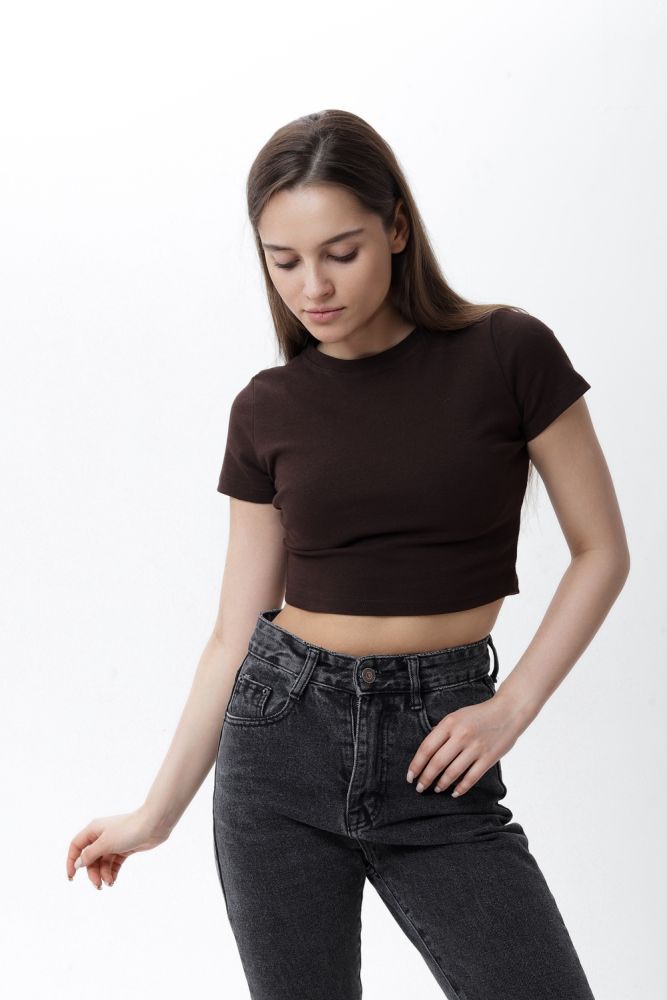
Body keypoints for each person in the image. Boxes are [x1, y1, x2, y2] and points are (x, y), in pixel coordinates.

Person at [66, 110, 630, 1000]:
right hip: (279, 745)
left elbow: (600, 551)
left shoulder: (508, 351)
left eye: (340, 252)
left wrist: (510, 706)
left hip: (439, 745)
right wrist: (155, 813)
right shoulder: (267, 407)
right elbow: (233, 635)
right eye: (283, 261)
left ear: (397, 228)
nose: (312, 286)